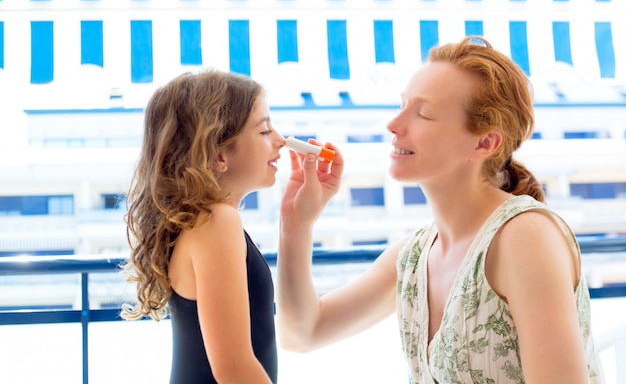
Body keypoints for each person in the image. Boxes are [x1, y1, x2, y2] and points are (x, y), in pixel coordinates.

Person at [277, 36, 604, 384]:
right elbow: (303, 333)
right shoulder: (415, 255)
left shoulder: (525, 236)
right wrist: (295, 224)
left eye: (423, 113)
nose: (393, 124)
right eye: (403, 104)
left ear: (484, 143)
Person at [121, 69, 285, 384]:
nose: (281, 140)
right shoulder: (218, 222)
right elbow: (234, 370)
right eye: (264, 131)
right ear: (219, 154)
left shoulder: (202, 222)